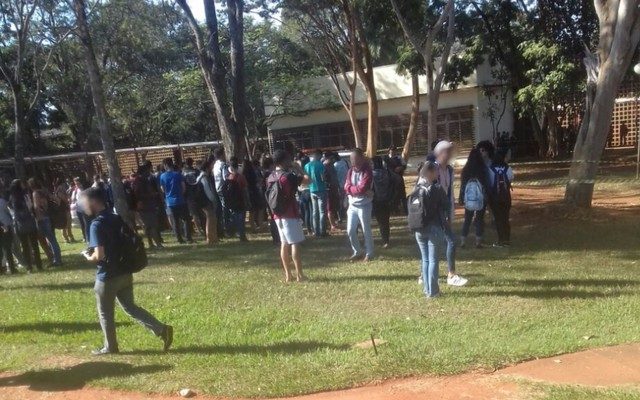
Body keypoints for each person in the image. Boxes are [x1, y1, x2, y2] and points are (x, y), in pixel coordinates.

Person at [81, 187, 173, 355]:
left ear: (94, 202)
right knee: (130, 307)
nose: (82, 206)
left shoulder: (96, 224)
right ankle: (162, 329)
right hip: (124, 271)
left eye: (84, 202)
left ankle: (110, 347)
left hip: (107, 276)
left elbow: (99, 255)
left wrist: (88, 257)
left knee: (105, 314)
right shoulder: (116, 218)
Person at [409, 161, 449, 298]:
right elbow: (446, 205)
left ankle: (427, 289)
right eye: (436, 171)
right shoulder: (436, 188)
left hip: (419, 228)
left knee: (425, 259)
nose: (438, 173)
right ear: (430, 172)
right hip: (433, 228)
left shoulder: (416, 188)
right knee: (433, 260)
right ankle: (433, 292)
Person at [267, 150, 307, 282]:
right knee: (295, 243)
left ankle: (288, 275)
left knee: (284, 243)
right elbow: (308, 180)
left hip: (277, 215)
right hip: (290, 213)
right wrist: (299, 168)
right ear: (284, 160)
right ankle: (300, 275)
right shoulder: (288, 176)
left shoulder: (271, 177)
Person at [432, 141, 467, 287]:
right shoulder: (431, 168)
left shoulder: (450, 170)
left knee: (445, 241)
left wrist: (450, 211)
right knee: (443, 241)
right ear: (439, 153)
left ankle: (446, 274)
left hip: (445, 211)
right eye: (447, 151)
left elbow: (449, 192)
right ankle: (450, 275)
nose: (450, 155)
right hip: (434, 212)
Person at [344, 148, 374, 262]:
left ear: (362, 158)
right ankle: (357, 251)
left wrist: (352, 189)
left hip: (364, 205)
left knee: (366, 230)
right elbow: (346, 187)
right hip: (352, 205)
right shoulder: (350, 171)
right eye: (351, 159)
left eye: (355, 158)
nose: (353, 161)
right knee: (350, 230)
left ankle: (369, 253)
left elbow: (363, 187)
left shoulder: (367, 171)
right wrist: (354, 190)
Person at [459, 148, 490, 249]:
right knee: (479, 219)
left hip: (469, 198)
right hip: (481, 198)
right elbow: (487, 183)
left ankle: (463, 241)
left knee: (467, 219)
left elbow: (463, 185)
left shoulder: (466, 170)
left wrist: (461, 197)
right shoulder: (483, 169)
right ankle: (478, 241)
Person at [8, 180, 41, 272]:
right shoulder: (26, 196)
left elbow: (12, 212)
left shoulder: (12, 198)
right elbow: (31, 207)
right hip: (30, 222)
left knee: (25, 246)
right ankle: (39, 265)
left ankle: (29, 266)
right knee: (35, 245)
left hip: (20, 224)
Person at [28, 178, 63, 267]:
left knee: (45, 240)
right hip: (49, 217)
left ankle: (55, 260)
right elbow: (57, 200)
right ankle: (57, 259)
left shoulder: (35, 193)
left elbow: (36, 207)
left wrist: (37, 218)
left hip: (42, 219)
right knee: (52, 240)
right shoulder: (45, 191)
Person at [159, 158, 192, 244]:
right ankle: (188, 237)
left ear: (165, 165)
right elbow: (183, 187)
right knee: (186, 219)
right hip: (180, 199)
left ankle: (179, 238)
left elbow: (162, 189)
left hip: (170, 201)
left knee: (175, 221)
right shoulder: (178, 174)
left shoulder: (162, 176)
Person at [132, 165, 163, 249]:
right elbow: (138, 194)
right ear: (143, 172)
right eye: (147, 171)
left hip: (147, 206)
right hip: (146, 206)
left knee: (148, 226)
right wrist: (151, 195)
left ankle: (151, 244)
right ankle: (158, 244)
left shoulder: (143, 180)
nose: (149, 172)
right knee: (152, 225)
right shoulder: (139, 181)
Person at [489, 152, 514, 247]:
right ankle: (507, 240)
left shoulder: (490, 169)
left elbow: (490, 183)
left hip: (495, 198)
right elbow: (511, 179)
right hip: (506, 197)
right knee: (505, 218)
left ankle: (500, 240)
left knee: (498, 219)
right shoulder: (508, 169)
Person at [224, 157, 249, 242]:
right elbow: (245, 189)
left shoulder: (228, 177)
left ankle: (233, 231)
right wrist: (247, 201)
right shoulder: (241, 177)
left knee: (234, 217)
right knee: (241, 218)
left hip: (232, 201)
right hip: (240, 199)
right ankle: (242, 235)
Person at [372, 156, 394, 248]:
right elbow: (396, 179)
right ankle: (386, 240)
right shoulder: (387, 172)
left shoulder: (371, 174)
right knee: (385, 222)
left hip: (376, 200)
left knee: (379, 221)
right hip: (387, 200)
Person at [304, 149, 327, 237]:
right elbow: (322, 178)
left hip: (311, 189)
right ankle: (322, 231)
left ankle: (316, 231)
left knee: (314, 212)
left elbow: (306, 178)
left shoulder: (307, 166)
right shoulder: (321, 165)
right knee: (322, 212)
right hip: (321, 189)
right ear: (319, 155)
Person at [196, 159, 219, 245]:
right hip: (206, 202)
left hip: (206, 201)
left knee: (212, 219)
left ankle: (214, 238)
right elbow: (208, 191)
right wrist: (213, 200)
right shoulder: (204, 177)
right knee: (210, 219)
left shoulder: (203, 176)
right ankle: (210, 238)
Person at [183, 158, 205, 235]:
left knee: (194, 214)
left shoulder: (183, 172)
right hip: (197, 194)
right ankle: (204, 228)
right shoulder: (196, 171)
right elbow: (200, 183)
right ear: (192, 163)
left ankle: (199, 230)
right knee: (201, 213)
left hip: (188, 195)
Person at [212, 148, 229, 238]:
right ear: (222, 155)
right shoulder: (223, 165)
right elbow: (225, 177)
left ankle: (223, 227)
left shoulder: (215, 165)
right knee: (225, 208)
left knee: (221, 208)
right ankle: (227, 227)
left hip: (217, 188)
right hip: (223, 188)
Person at [53, 176, 75, 243]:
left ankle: (70, 237)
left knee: (68, 223)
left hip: (65, 208)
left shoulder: (60, 189)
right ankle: (66, 238)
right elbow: (64, 199)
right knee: (64, 224)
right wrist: (67, 200)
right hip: (62, 209)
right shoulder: (59, 190)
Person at [0, 188, 17, 274]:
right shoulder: (2, 201)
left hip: (3, 225)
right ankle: (12, 268)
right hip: (5, 226)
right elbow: (8, 212)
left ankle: (3, 268)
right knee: (8, 249)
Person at [323, 152, 341, 232]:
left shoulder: (332, 165)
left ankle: (334, 223)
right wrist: (329, 186)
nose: (334, 159)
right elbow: (324, 179)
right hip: (329, 190)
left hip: (334, 189)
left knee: (334, 207)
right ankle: (332, 226)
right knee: (329, 208)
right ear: (328, 158)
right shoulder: (324, 166)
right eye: (332, 158)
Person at [295, 153, 312, 235]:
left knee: (305, 211)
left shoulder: (298, 171)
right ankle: (312, 228)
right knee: (311, 211)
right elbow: (310, 180)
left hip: (301, 192)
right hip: (309, 190)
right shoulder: (307, 170)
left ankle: (307, 229)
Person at [71, 177, 89, 242]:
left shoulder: (83, 190)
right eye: (75, 184)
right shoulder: (75, 190)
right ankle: (84, 236)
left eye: (78, 183)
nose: (77, 185)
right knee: (82, 224)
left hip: (84, 209)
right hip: (78, 209)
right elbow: (73, 199)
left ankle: (87, 237)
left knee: (86, 223)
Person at [333, 153, 349, 223]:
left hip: (339, 186)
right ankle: (348, 216)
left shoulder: (334, 165)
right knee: (347, 202)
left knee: (339, 203)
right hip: (347, 185)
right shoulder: (345, 162)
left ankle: (340, 218)